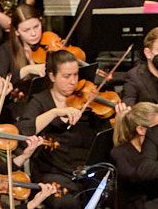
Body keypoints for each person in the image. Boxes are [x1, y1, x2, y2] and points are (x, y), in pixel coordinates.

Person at [17, 51, 107, 181]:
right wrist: (54, 112)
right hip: (52, 171)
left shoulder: (85, 100)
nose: (73, 81)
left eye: (76, 75)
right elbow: (25, 130)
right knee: (68, 202)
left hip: (83, 169)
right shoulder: (40, 101)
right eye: (67, 76)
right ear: (52, 76)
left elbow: (102, 135)